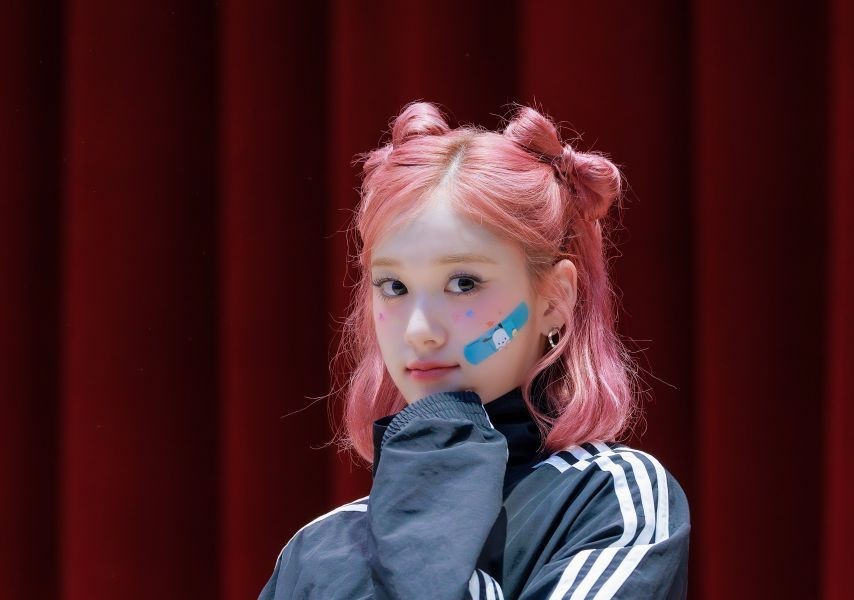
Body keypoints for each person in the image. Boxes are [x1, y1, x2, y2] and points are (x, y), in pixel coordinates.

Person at [258, 101, 690, 599]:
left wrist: (437, 471)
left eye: (463, 282)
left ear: (555, 299)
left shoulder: (607, 496)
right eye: (394, 287)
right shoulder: (317, 549)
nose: (419, 330)